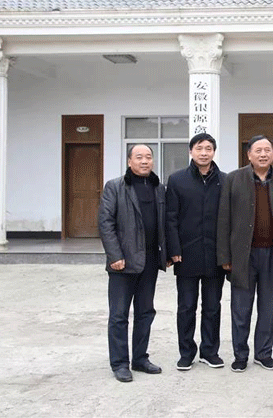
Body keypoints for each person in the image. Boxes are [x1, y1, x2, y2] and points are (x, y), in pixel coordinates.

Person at [217, 135, 273, 372]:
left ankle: (263, 354)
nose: (263, 154)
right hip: (243, 256)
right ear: (248, 154)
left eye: (267, 150)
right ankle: (240, 355)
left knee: (268, 309)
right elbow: (223, 219)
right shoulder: (233, 179)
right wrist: (225, 257)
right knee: (241, 309)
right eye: (258, 150)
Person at [98, 144, 168, 383]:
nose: (144, 161)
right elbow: (106, 223)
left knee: (145, 312)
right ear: (129, 161)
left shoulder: (159, 188)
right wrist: (114, 256)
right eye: (139, 157)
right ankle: (119, 363)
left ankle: (140, 358)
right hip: (123, 262)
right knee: (119, 315)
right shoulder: (115, 187)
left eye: (148, 157)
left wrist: (167, 253)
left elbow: (164, 223)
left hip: (150, 260)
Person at [165, 133, 227, 371]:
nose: (204, 153)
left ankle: (209, 352)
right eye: (199, 148)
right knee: (186, 307)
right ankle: (186, 353)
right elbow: (171, 218)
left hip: (215, 255)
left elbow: (229, 219)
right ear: (191, 151)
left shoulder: (224, 180)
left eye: (208, 148)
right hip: (186, 254)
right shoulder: (177, 180)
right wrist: (174, 249)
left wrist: (226, 254)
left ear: (214, 152)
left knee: (212, 307)